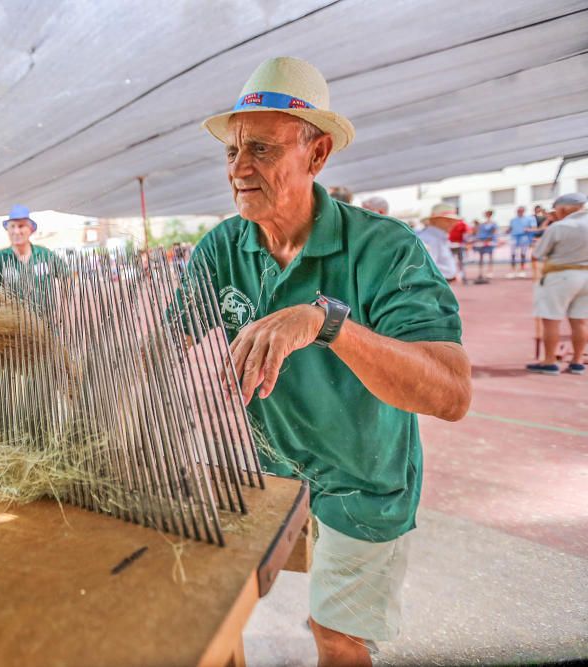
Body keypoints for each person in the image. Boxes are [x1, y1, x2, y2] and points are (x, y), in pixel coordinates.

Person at [192, 56, 471, 666]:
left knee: (336, 635)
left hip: (359, 476)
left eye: (262, 150)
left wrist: (327, 323)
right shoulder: (219, 247)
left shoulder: (385, 249)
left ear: (316, 155)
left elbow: (451, 394)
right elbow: (179, 350)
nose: (239, 169)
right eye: (233, 152)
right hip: (256, 467)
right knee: (212, 609)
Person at [527, 192, 588, 375]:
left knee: (551, 319)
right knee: (580, 321)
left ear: (562, 209)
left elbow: (537, 254)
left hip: (560, 275)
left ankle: (549, 361)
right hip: (586, 275)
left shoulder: (560, 227)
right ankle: (577, 361)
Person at [0, 204, 67, 308]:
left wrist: (65, 302)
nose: (16, 231)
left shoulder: (45, 254)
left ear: (30, 229)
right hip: (11, 320)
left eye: (21, 226)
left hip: (45, 320)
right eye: (12, 226)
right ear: (7, 230)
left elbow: (67, 276)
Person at [417, 204, 460, 282]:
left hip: (442, 282)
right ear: (434, 220)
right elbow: (427, 269)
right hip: (437, 284)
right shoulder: (429, 239)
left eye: (453, 221)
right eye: (448, 220)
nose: (453, 224)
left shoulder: (438, 237)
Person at [507, 206, 536, 278]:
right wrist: (507, 231)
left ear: (524, 211)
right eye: (518, 211)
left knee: (523, 254)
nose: (519, 212)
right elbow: (510, 228)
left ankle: (522, 270)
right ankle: (513, 271)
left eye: (521, 211)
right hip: (514, 237)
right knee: (513, 254)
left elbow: (533, 228)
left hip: (524, 237)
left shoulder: (529, 219)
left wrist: (529, 231)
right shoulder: (513, 220)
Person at [473, 210, 498, 284]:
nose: (487, 215)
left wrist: (488, 239)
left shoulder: (493, 223)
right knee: (481, 258)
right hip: (482, 242)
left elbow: (494, 232)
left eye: (488, 214)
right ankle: (480, 272)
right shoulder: (482, 224)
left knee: (490, 257)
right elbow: (478, 232)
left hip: (489, 242)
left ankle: (490, 272)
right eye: (486, 214)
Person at [447, 215, 471, 284]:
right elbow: (467, 234)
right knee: (460, 262)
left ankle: (454, 277)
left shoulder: (452, 223)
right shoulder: (462, 224)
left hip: (453, 245)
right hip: (457, 245)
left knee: (454, 262)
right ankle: (461, 277)